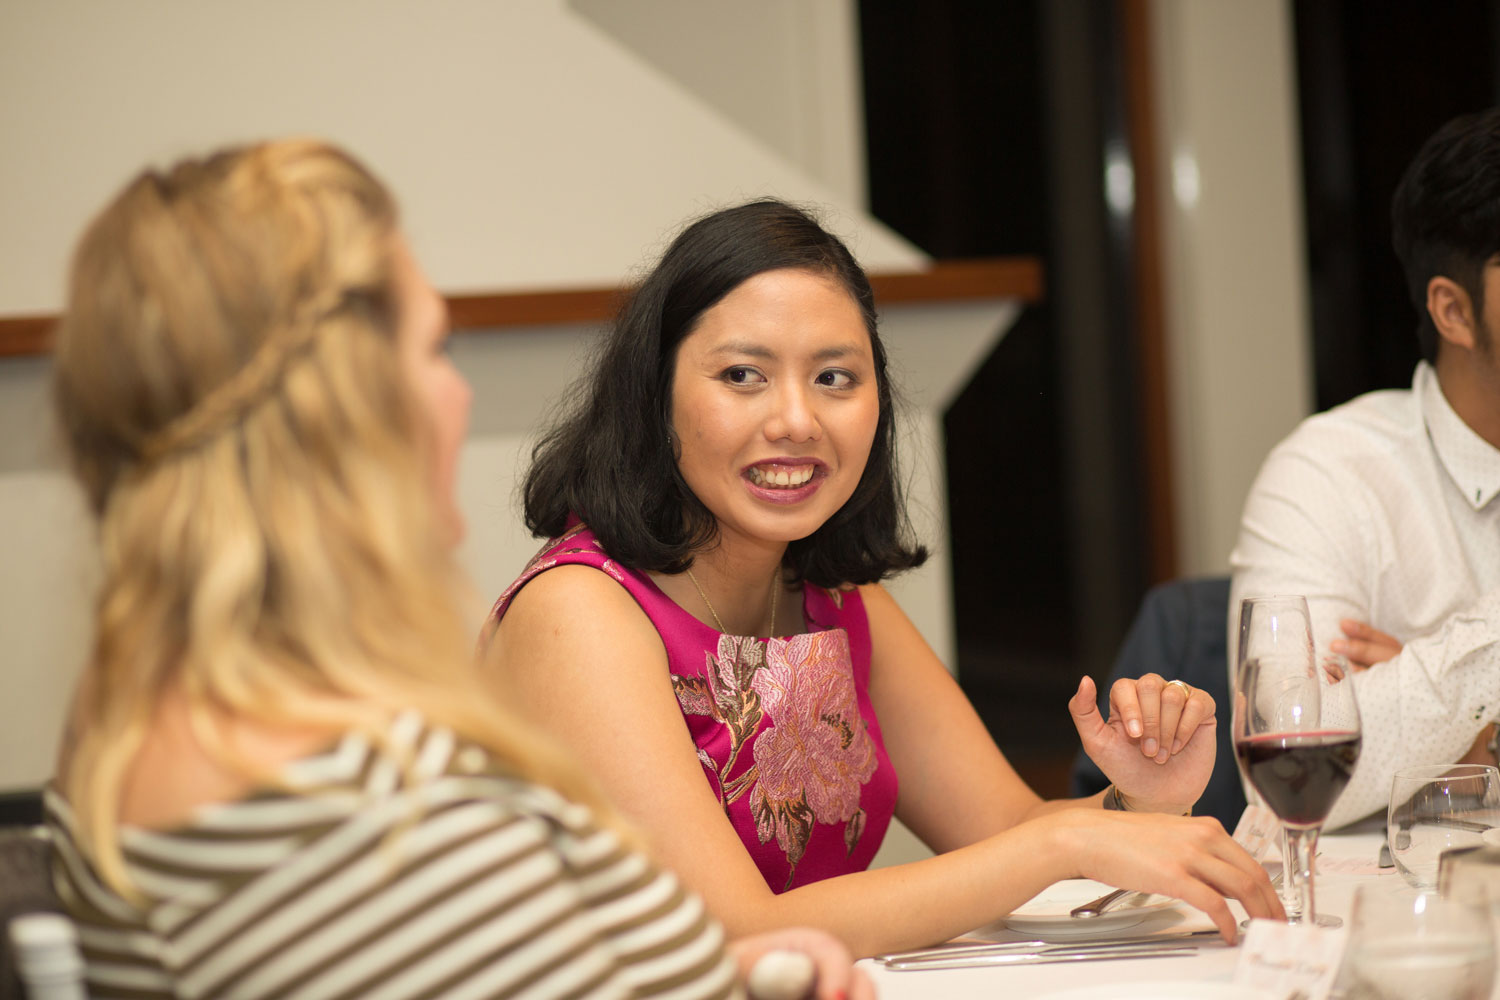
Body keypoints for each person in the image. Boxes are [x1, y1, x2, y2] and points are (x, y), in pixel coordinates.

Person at [44, 141, 868, 1000]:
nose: (460, 394)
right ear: (341, 405)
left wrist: (728, 974)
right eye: (433, 351)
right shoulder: (343, 796)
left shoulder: (154, 701)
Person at [480, 199, 1282, 959]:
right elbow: (735, 931)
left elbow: (1006, 829)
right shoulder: (577, 609)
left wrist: (1137, 801)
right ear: (654, 396)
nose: (798, 419)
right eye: (742, 376)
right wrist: (1059, 841)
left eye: (835, 378)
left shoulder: (830, 597)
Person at [1229, 107, 1500, 831]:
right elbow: (1295, 774)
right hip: (1405, 919)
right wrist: (1479, 695)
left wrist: (1436, 708)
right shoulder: (1329, 476)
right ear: (1455, 310)